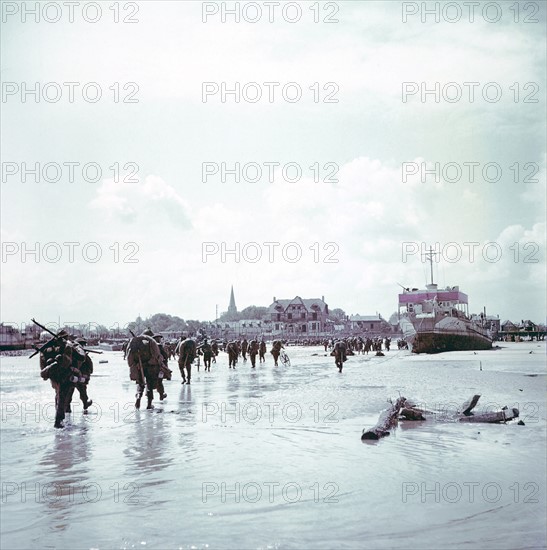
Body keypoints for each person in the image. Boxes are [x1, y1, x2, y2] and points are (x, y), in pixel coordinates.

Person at [39, 330, 89, 428]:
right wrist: (77, 347)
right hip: (65, 374)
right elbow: (81, 357)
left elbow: (42, 362)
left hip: (53, 375)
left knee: (58, 395)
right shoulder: (68, 346)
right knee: (62, 396)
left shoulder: (47, 348)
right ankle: (59, 421)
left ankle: (61, 416)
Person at [127, 329, 163, 409]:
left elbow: (129, 356)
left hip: (139, 367)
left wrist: (133, 366)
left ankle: (138, 398)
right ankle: (149, 404)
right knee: (149, 384)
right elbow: (157, 355)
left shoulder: (135, 342)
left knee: (140, 384)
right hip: (151, 367)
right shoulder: (151, 341)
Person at [65, 337, 93, 413]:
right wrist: (87, 376)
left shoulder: (70, 355)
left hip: (72, 376)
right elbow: (90, 367)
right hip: (79, 377)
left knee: (69, 392)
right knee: (82, 392)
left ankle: (67, 408)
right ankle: (85, 404)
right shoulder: (84, 356)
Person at [153, 334, 171, 400]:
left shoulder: (148, 345)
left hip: (149, 367)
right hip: (159, 368)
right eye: (159, 338)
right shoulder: (159, 345)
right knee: (160, 381)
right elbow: (165, 356)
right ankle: (161, 395)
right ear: (157, 339)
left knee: (149, 381)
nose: (160, 340)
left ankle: (149, 396)